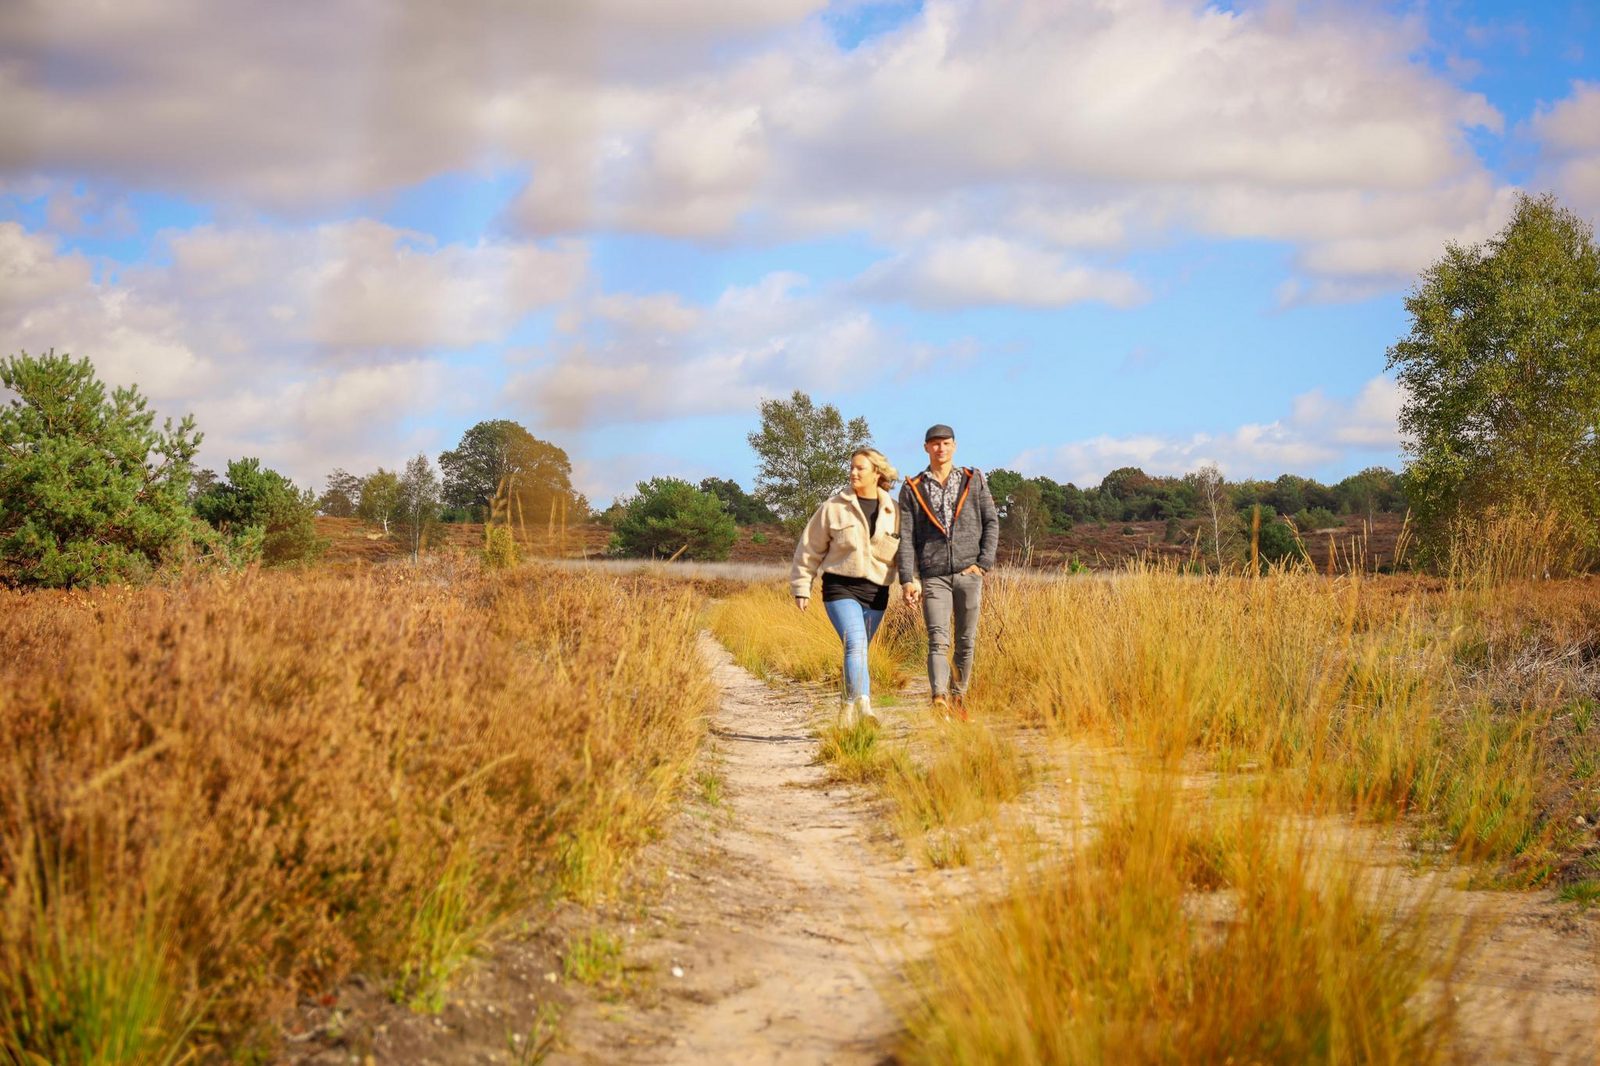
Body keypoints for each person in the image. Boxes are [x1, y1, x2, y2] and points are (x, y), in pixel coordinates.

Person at [790, 447, 902, 726]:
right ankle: (865, 708)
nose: (853, 472)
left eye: (860, 468)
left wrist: (913, 583)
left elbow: (905, 554)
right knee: (855, 642)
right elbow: (809, 548)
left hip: (877, 591)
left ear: (877, 473)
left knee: (859, 650)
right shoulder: (834, 507)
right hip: (839, 587)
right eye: (851, 467)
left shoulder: (894, 511)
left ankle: (846, 707)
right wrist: (802, 586)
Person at [898, 424, 999, 721]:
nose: (940, 449)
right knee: (937, 639)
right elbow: (906, 536)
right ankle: (938, 698)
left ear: (954, 446)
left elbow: (991, 522)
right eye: (934, 444)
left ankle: (958, 697)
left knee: (966, 640)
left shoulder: (973, 479)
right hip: (934, 575)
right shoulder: (912, 487)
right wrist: (907, 578)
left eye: (945, 443)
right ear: (926, 447)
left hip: (969, 573)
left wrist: (982, 564)